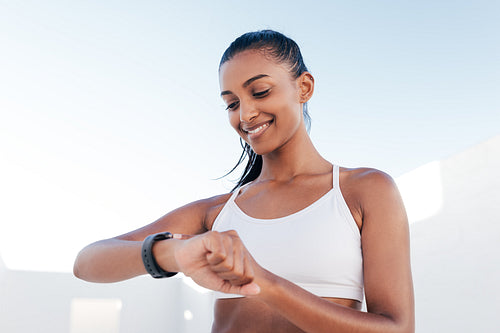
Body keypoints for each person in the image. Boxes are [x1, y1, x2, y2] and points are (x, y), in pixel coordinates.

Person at [74, 30, 415, 333]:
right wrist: (175, 253)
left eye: (261, 91)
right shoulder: (218, 212)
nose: (246, 114)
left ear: (304, 87)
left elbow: (396, 329)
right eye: (232, 103)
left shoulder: (364, 191)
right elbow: (88, 262)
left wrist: (265, 283)